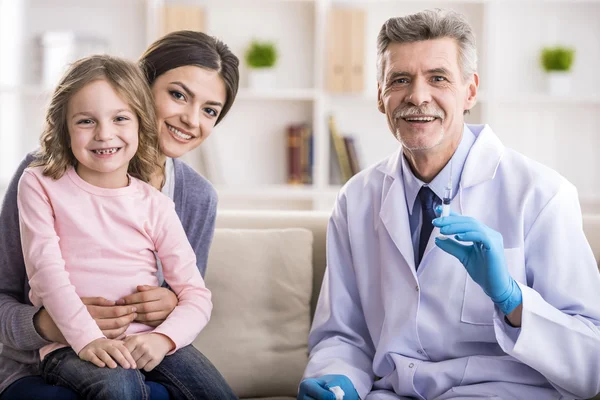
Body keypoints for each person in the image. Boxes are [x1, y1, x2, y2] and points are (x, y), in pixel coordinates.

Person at [298, 9, 600, 400]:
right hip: (393, 392)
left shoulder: (540, 193)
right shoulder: (357, 198)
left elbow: (592, 361)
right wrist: (337, 378)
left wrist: (511, 299)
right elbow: (343, 332)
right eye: (400, 80)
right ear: (380, 96)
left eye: (438, 78)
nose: (418, 96)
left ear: (470, 91)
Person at [0, 31, 239, 400]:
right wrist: (49, 325)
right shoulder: (42, 176)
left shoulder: (191, 197)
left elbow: (191, 294)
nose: (191, 119)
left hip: (143, 352)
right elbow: (12, 289)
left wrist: (169, 306)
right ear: (139, 87)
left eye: (210, 110)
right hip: (41, 361)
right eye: (178, 94)